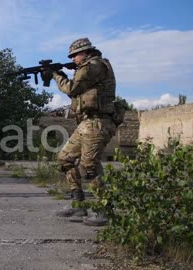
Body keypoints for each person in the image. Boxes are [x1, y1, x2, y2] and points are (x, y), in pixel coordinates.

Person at [43, 38, 117, 226]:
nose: (73, 59)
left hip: (99, 122)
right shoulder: (84, 68)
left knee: (89, 165)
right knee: (64, 158)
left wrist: (56, 75)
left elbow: (73, 88)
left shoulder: (95, 66)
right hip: (86, 122)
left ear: (86, 52)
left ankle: (104, 210)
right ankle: (78, 204)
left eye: (75, 55)